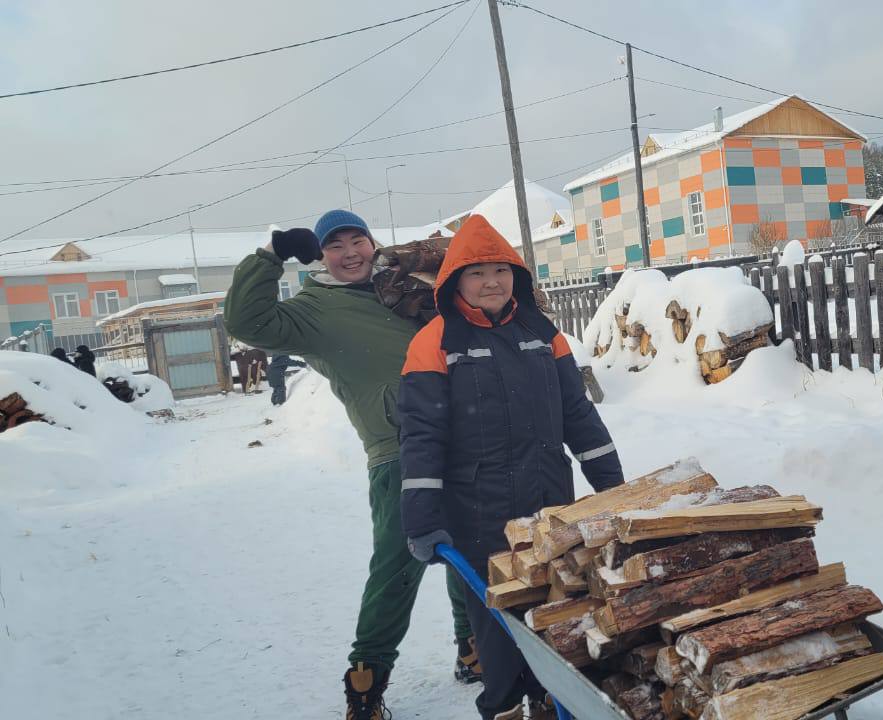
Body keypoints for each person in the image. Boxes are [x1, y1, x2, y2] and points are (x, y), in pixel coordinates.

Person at [222, 209, 475, 720]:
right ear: (320, 256)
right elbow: (247, 322)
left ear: (372, 242)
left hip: (462, 436)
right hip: (397, 449)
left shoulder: (401, 286)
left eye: (357, 240)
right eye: (335, 245)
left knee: (470, 543)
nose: (350, 252)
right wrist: (270, 256)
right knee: (397, 566)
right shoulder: (312, 311)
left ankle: (472, 647)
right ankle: (366, 680)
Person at [398, 214, 624, 720]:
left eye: (501, 270)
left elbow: (579, 417)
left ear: (516, 276)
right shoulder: (435, 342)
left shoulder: (543, 334)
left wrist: (614, 488)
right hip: (480, 515)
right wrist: (422, 519)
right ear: (455, 281)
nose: (491, 282)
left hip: (550, 506)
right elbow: (421, 439)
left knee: (559, 612)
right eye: (477, 272)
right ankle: (502, 708)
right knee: (498, 632)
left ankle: (550, 703)